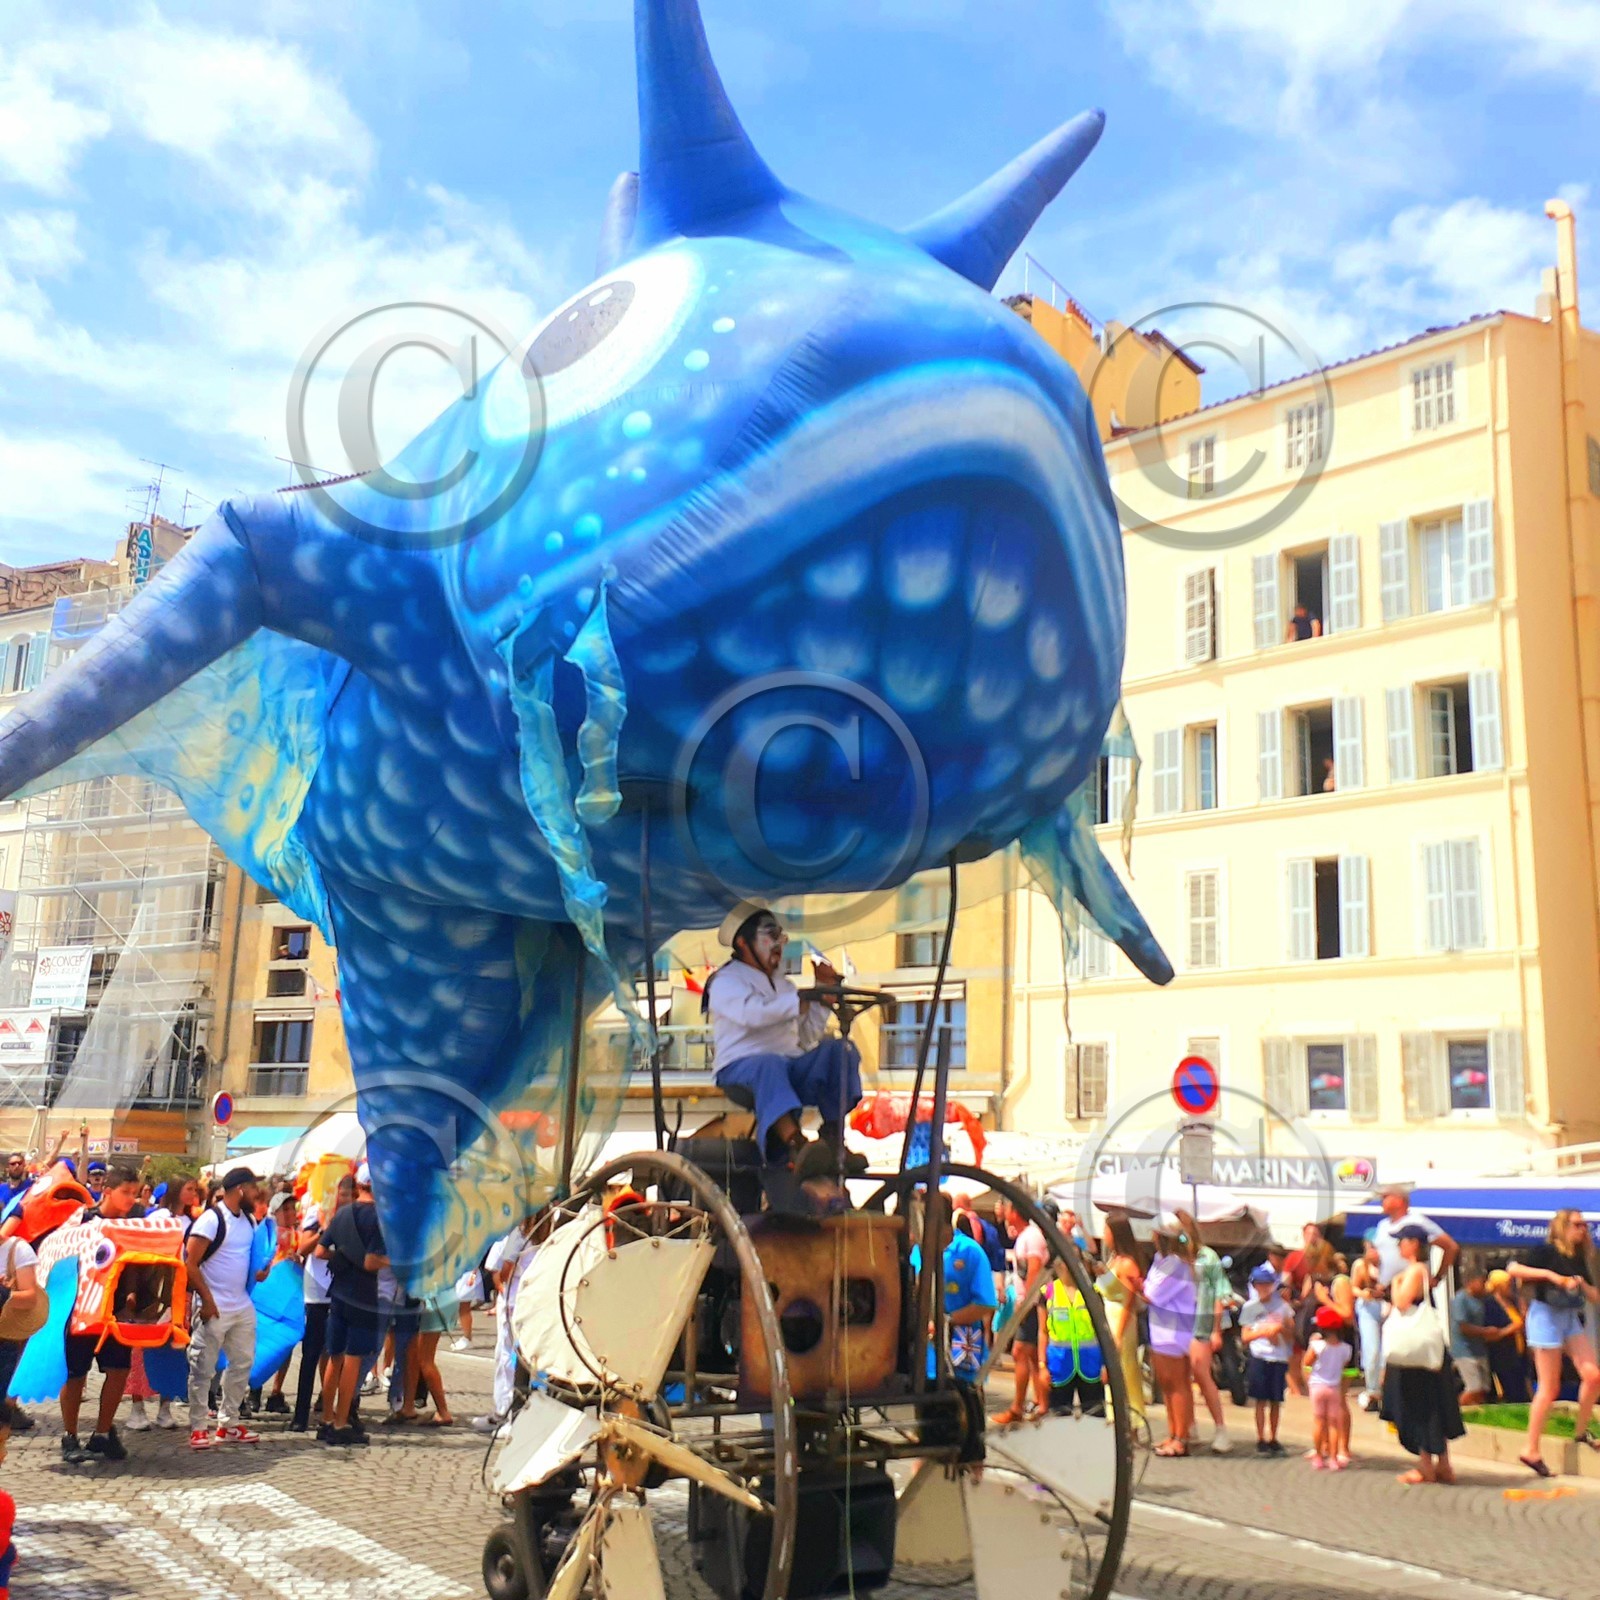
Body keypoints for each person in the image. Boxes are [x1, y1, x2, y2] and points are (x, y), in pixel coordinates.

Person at [704, 903, 864, 1180]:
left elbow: (806, 1037)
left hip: (788, 1066)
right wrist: (798, 1001)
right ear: (743, 942)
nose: (778, 944)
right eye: (770, 936)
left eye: (780, 936)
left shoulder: (784, 986)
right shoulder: (724, 982)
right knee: (769, 1064)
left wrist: (822, 996)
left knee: (841, 1050)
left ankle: (834, 1139)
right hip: (739, 1070)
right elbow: (751, 1014)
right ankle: (795, 1144)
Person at [59, 1163, 145, 1466]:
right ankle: (69, 1436)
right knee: (75, 1375)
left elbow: (133, 1261)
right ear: (107, 1191)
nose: (131, 1199)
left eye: (134, 1193)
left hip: (116, 1310)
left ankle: (102, 1432)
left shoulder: (134, 1221)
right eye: (126, 1192)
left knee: (119, 1371)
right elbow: (62, 1260)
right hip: (81, 1309)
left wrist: (132, 1294)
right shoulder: (82, 1220)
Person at [1509, 1209, 1600, 1475]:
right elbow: (1513, 1269)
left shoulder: (1579, 1257)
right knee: (1549, 1387)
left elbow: (1595, 1296)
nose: (1582, 1229)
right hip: (1545, 1315)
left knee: (1593, 1375)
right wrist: (1551, 1276)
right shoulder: (1546, 1251)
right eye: (1577, 1224)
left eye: (1584, 1225)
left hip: (1569, 1315)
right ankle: (1531, 1448)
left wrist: (1579, 1284)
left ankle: (1581, 1431)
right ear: (1562, 1226)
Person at [184, 1166, 264, 1451]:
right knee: (202, 1367)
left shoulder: (250, 1220)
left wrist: (260, 1272)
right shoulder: (211, 1219)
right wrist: (206, 1300)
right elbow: (190, 1262)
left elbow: (246, 1260)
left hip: (241, 1303)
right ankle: (197, 1426)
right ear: (241, 1189)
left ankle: (228, 1422)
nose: (257, 1193)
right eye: (253, 1188)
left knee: (242, 1363)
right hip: (214, 1304)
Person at [1383, 1223, 1464, 1485]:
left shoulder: (1415, 1270)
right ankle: (1444, 1465)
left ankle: (1426, 1465)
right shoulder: (1423, 1271)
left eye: (1402, 1241)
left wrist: (1395, 1284)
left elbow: (1401, 1301)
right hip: (1428, 1352)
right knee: (1435, 1403)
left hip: (1413, 1355)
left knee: (1418, 1405)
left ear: (1413, 1244)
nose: (1398, 1246)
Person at [317, 1162, 388, 1447]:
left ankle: (325, 1419)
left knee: (334, 1356)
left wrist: (343, 1255)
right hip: (364, 1295)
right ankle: (341, 1422)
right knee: (353, 1359)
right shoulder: (378, 1218)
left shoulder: (343, 1213)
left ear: (358, 1186)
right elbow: (372, 1262)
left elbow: (322, 1251)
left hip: (339, 1291)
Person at [912, 1195, 997, 1385]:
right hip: (926, 1358)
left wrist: (946, 1321)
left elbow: (985, 1303)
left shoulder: (969, 1251)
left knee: (963, 1404)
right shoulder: (918, 1251)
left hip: (963, 1351)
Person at [292, 1174, 351, 1432]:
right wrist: (325, 1231)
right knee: (311, 1354)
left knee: (339, 1355)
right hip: (316, 1292)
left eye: (350, 1195)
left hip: (343, 1291)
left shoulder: (354, 1216)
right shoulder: (318, 1212)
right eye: (343, 1194)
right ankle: (300, 1415)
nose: (346, 1199)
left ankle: (337, 1412)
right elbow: (303, 1248)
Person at [994, 1202, 1051, 1425]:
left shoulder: (1032, 1236)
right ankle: (1041, 1403)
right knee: (1030, 1354)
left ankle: (1017, 1407)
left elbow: (1034, 1268)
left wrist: (1026, 1300)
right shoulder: (1026, 1236)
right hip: (1028, 1301)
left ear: (1015, 1211)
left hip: (1031, 1303)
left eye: (1007, 1209)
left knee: (1020, 1351)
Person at [1144, 1221, 1198, 1458]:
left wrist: (1143, 1286)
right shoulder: (1161, 1260)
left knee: (1177, 1385)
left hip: (1174, 1331)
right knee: (1167, 1385)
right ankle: (1173, 1431)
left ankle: (1181, 1437)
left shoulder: (1175, 1264)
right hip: (1161, 1329)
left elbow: (1151, 1293)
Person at [1185, 1214, 1234, 1453]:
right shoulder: (1174, 1257)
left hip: (1201, 1325)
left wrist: (1216, 1330)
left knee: (1202, 1375)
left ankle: (1221, 1429)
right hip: (1179, 1325)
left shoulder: (1208, 1256)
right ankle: (1189, 1425)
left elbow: (1220, 1293)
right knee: (1183, 1377)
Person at [1097, 1217, 1145, 1425]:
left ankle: (1130, 1421)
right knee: (1113, 1370)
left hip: (1121, 1321)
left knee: (1125, 1371)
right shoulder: (1115, 1259)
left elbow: (1128, 1301)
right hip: (1110, 1316)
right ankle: (1116, 1418)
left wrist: (1117, 1334)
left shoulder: (1127, 1264)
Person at [1240, 1261, 1291, 1456]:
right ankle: (1260, 1437)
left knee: (1276, 1400)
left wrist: (1281, 1329)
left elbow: (1291, 1333)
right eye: (1260, 1285)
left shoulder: (1283, 1307)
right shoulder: (1250, 1308)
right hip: (1259, 1356)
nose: (1264, 1289)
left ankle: (1273, 1437)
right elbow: (1245, 1336)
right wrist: (1263, 1332)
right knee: (1260, 1400)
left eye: (1267, 1285)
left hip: (1278, 1358)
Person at [1044, 1265, 1105, 1416]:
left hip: (1090, 1365)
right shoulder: (1048, 1292)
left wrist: (1106, 1365)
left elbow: (1104, 1330)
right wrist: (1041, 1366)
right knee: (1059, 1419)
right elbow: (1042, 1332)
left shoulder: (1094, 1290)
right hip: (1059, 1365)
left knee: (1094, 1417)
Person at [1373, 1187, 1458, 1290]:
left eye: (1385, 1197)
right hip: (1385, 1291)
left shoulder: (1418, 1221)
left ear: (1399, 1200)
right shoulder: (1382, 1225)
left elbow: (1451, 1247)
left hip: (1411, 1291)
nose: (1381, 1201)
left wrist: (1438, 1277)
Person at [1304, 1304, 1352, 1470]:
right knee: (1333, 1423)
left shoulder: (1317, 1346)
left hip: (1317, 1385)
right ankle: (1333, 1457)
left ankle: (1318, 1456)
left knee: (1318, 1421)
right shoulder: (1346, 1348)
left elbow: (1307, 1362)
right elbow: (1344, 1365)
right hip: (1334, 1388)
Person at [1481, 1268, 1529, 1403]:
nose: (1510, 1287)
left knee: (1521, 1389)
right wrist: (1512, 1328)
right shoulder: (1489, 1304)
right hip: (1502, 1355)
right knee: (1512, 1391)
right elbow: (1492, 1333)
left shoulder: (1512, 1302)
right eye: (1507, 1284)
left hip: (1518, 1352)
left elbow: (1521, 1324)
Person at [1448, 1267, 1494, 1406]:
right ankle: (1456, 1411)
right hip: (1464, 1351)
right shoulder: (1461, 1300)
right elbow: (1464, 1327)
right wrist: (1486, 1332)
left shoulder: (1480, 1299)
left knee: (1484, 1388)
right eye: (1481, 1282)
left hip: (1479, 1349)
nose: (1484, 1286)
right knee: (1473, 1387)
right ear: (1471, 1282)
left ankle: (1477, 1413)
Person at [1351, 1239, 1386, 1412]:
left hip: (1387, 1305)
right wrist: (1364, 1293)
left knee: (1387, 1351)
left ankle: (1385, 1390)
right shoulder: (1360, 1265)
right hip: (1367, 1307)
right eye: (1371, 1247)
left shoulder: (1388, 1264)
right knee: (1371, 1350)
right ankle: (1372, 1390)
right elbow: (1354, 1288)